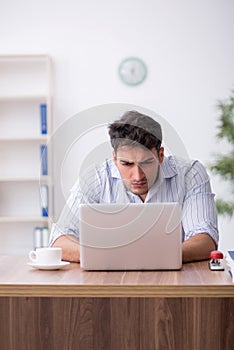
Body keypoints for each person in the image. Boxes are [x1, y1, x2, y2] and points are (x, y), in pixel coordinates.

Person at [50, 110, 218, 263]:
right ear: (115, 159)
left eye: (146, 162)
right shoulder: (94, 179)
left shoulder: (190, 174)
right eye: (126, 164)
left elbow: (205, 240)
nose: (137, 176)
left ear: (160, 155)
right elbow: (59, 241)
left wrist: (146, 257)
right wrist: (107, 257)